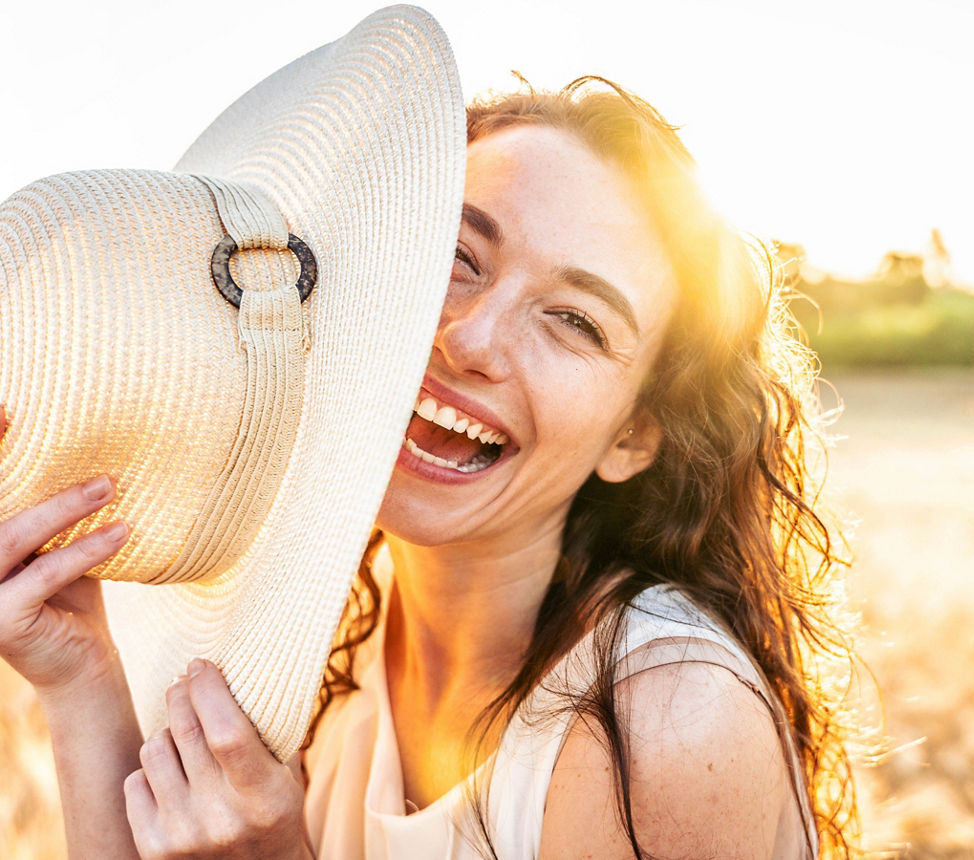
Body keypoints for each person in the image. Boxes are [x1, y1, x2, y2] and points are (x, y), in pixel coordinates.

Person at [0, 71, 858, 860]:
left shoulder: (666, 720)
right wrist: (80, 681)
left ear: (633, 436)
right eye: (456, 259)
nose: (470, 340)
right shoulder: (317, 644)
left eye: (575, 321)